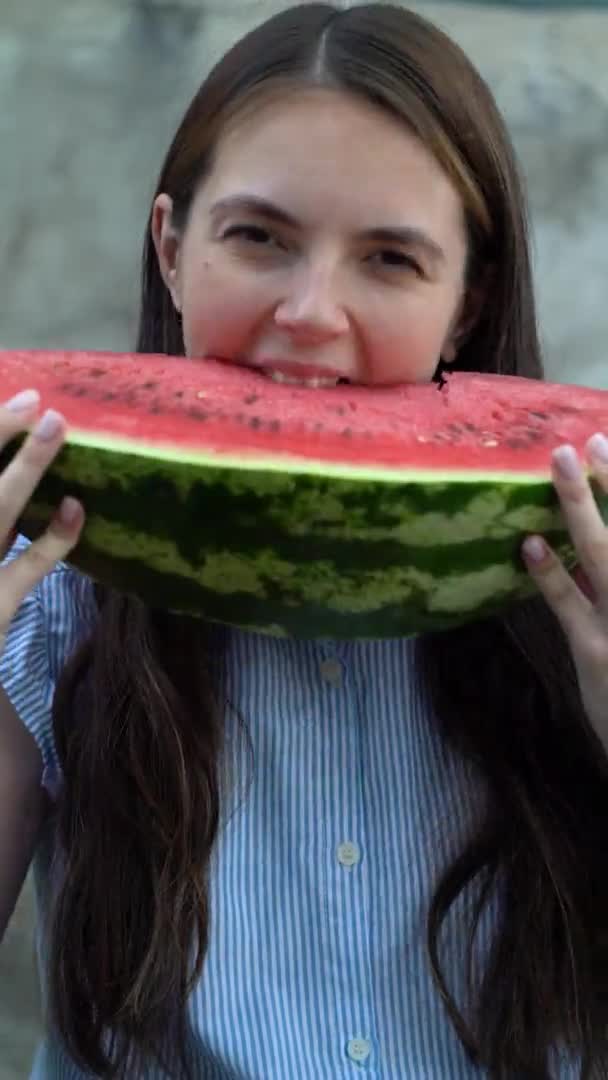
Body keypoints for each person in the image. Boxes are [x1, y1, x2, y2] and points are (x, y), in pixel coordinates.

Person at [1, 4, 608, 1077]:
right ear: (171, 249)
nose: (310, 311)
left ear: (464, 308)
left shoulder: (579, 601)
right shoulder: (50, 592)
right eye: (259, 238)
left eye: (388, 258)